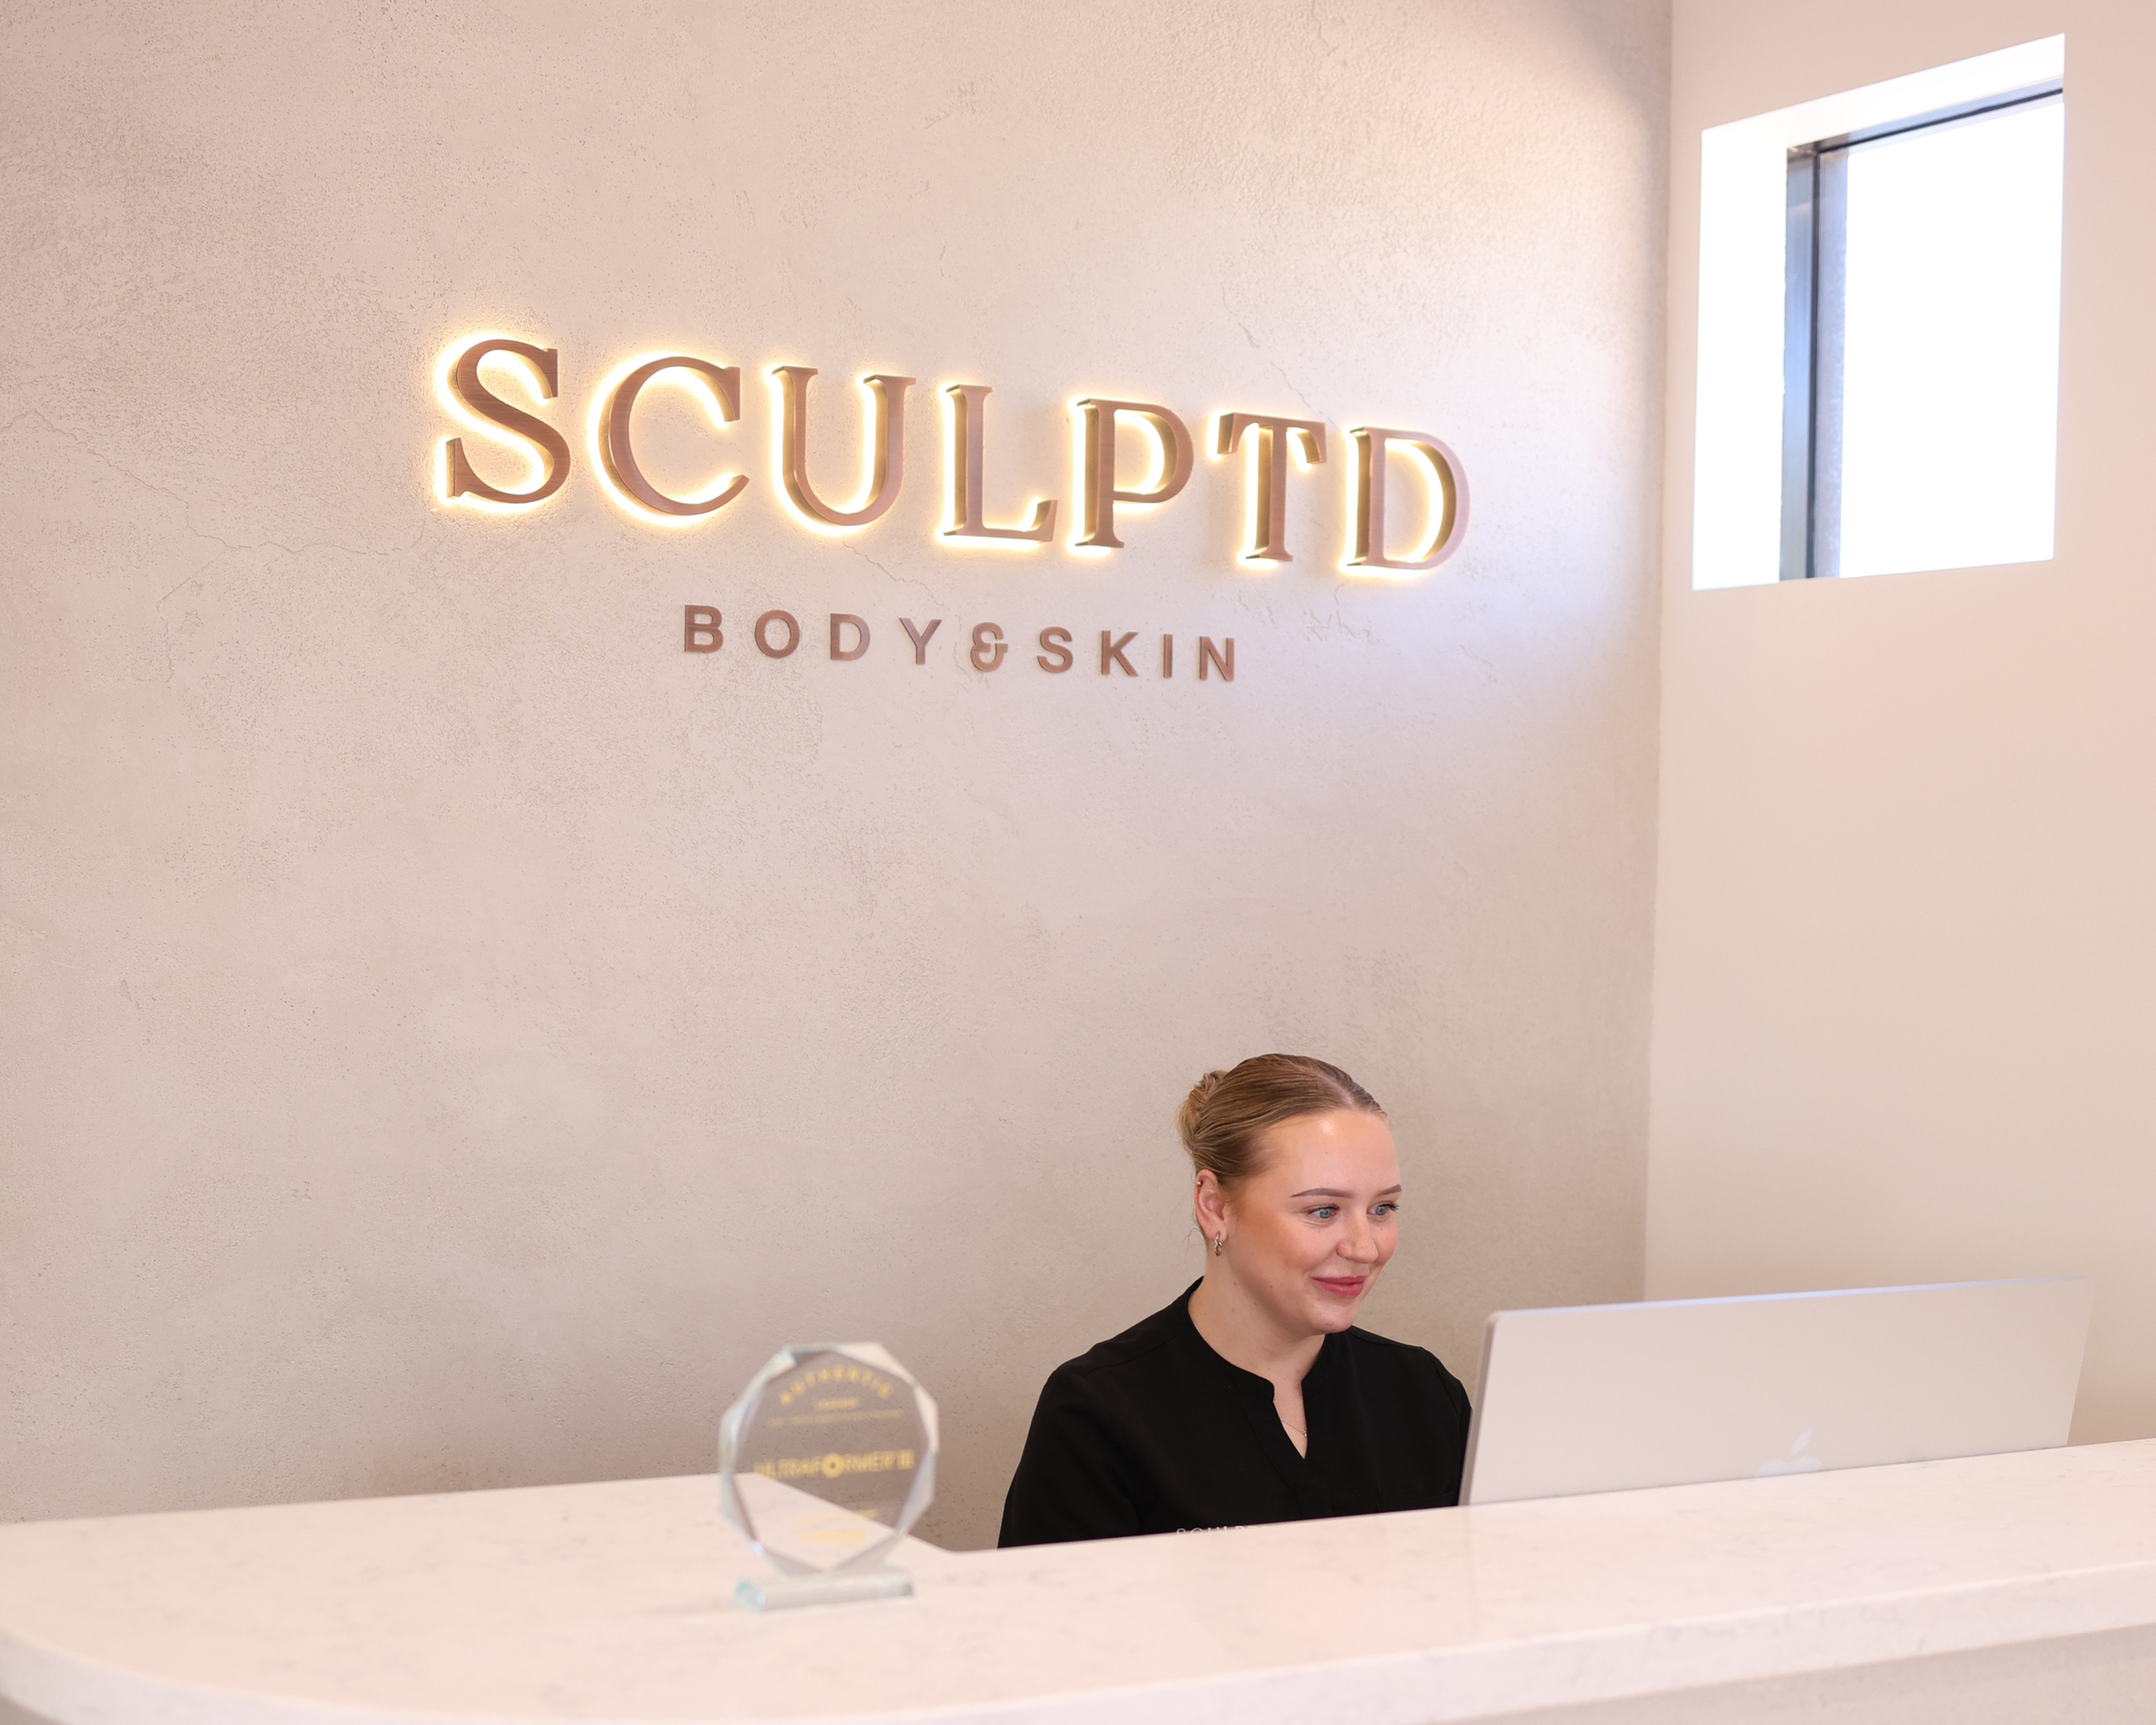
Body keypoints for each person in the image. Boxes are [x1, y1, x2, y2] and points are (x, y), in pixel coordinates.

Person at [998, 1054, 1471, 1546]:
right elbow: (1050, 1622)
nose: (1364, 1247)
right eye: (1323, 1210)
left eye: (1382, 1208)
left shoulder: (1424, 1394)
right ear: (1215, 1207)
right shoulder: (1096, 1413)